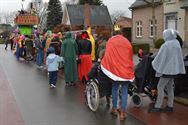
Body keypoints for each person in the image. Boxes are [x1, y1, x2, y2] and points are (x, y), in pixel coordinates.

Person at [149, 29, 185, 112]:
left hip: (166, 70)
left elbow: (160, 57)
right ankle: (170, 106)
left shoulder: (166, 45)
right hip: (174, 70)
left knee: (160, 87)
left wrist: (154, 63)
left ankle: (158, 106)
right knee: (170, 88)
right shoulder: (176, 44)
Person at [101, 33, 134, 121]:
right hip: (126, 70)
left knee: (114, 88)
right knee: (124, 90)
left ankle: (114, 108)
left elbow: (108, 56)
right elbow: (130, 57)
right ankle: (123, 111)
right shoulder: (127, 42)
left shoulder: (111, 42)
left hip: (115, 70)